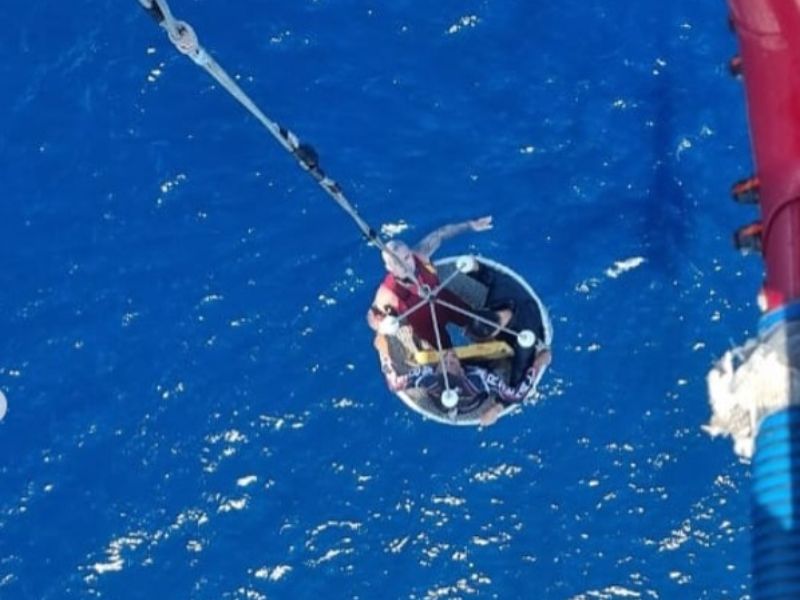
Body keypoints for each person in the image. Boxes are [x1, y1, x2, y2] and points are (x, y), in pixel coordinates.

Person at [367, 216, 493, 349]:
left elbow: (440, 234)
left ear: (410, 252)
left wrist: (470, 225)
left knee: (474, 321)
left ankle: (481, 338)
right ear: (389, 268)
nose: (406, 265)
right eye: (397, 263)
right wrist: (382, 326)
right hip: (425, 323)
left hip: (444, 301)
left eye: (406, 257)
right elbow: (372, 316)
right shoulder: (388, 292)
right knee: (446, 351)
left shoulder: (420, 254)